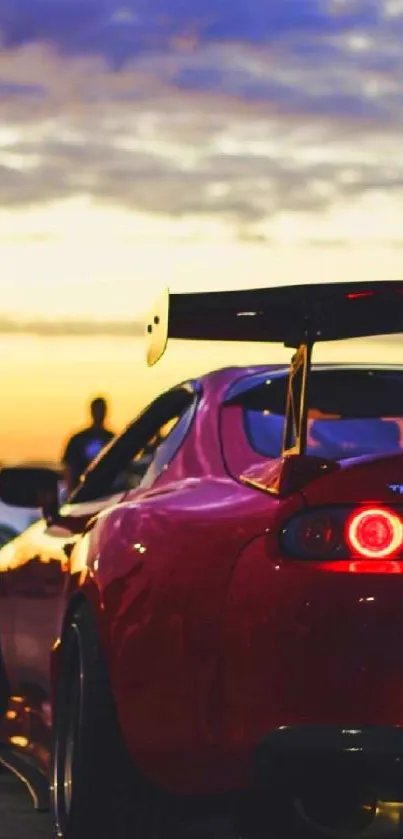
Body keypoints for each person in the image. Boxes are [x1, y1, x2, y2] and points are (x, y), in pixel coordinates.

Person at [62, 396, 115, 492]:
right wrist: (70, 492)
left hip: (107, 493)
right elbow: (68, 468)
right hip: (81, 493)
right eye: (97, 410)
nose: (99, 414)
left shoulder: (112, 439)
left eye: (101, 410)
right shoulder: (77, 439)